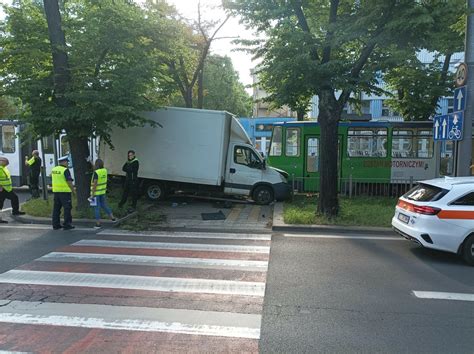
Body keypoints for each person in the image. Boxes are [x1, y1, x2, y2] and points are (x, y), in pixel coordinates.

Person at [90, 158, 116, 228]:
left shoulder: (96, 173)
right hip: (102, 192)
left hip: (96, 193)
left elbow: (95, 184)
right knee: (104, 205)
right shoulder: (104, 171)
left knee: (96, 208)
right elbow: (96, 170)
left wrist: (92, 195)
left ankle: (98, 224)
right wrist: (90, 162)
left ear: (96, 165)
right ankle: (113, 218)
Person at [51, 156, 75, 230]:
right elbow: (69, 181)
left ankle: (55, 224)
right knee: (67, 208)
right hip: (65, 192)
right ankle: (67, 224)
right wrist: (73, 190)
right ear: (63, 162)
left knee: (56, 209)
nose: (67, 163)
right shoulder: (65, 170)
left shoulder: (54, 169)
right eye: (67, 162)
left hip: (56, 192)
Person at [0, 157, 25, 223]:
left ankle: (15, 211)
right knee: (0, 204)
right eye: (6, 162)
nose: (7, 163)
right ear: (1, 161)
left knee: (14, 198)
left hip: (7, 189)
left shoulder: (4, 168)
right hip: (2, 189)